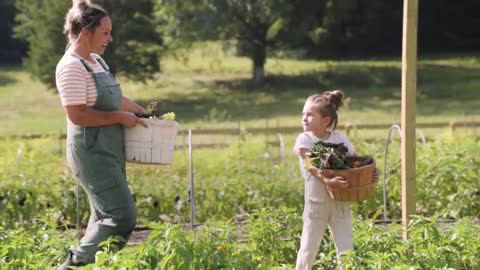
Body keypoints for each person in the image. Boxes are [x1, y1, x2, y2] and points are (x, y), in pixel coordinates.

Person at [56, 0, 147, 268]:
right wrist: (122, 118)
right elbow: (78, 115)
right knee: (121, 215)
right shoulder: (70, 67)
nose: (111, 38)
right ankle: (73, 265)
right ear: (86, 33)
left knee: (102, 216)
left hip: (109, 150)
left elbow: (115, 99)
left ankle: (93, 264)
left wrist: (145, 114)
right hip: (91, 153)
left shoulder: (95, 61)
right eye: (105, 32)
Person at [293, 90, 378, 269]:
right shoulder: (304, 139)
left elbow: (356, 163)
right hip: (316, 204)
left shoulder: (339, 139)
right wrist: (328, 181)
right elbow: (311, 164)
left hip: (340, 201)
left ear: (325, 120)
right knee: (308, 249)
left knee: (346, 250)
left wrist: (370, 173)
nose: (304, 118)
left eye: (310, 114)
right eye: (303, 114)